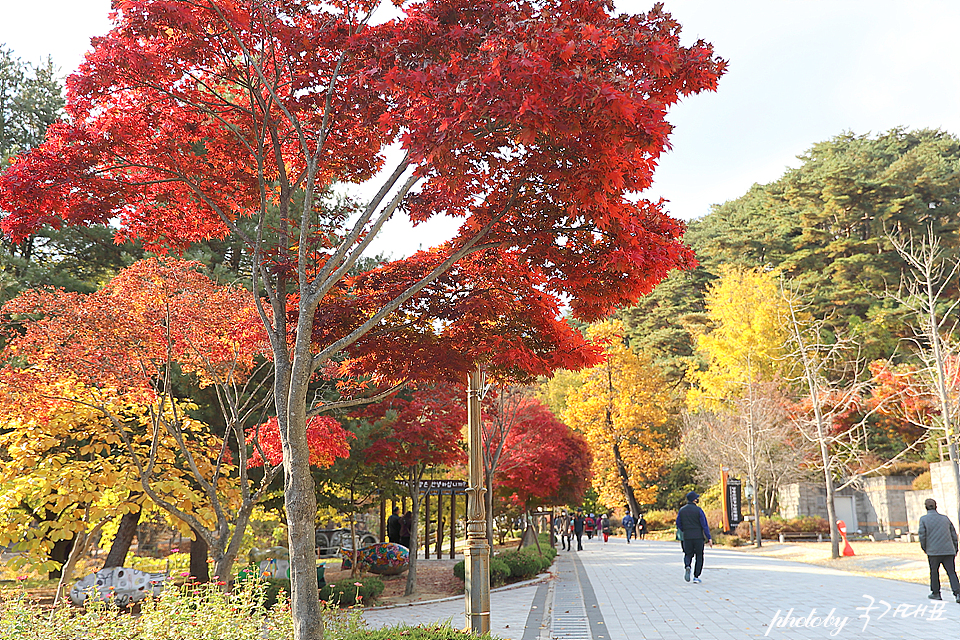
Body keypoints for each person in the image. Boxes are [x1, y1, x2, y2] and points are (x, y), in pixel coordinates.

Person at [918, 498, 960, 602]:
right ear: (936, 506)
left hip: (933, 551)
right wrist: (955, 548)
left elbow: (922, 536)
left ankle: (936, 593)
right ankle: (958, 593)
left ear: (925, 507)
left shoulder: (924, 519)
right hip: (948, 550)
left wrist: (925, 548)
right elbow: (953, 535)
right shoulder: (945, 518)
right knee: (951, 572)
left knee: (934, 572)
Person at [676, 491, 713, 584]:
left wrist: (684, 529)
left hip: (687, 536)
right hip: (698, 536)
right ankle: (696, 576)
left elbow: (678, 522)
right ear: (694, 499)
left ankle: (687, 565)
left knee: (688, 554)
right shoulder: (698, 510)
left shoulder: (682, 510)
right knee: (699, 556)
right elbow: (704, 524)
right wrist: (709, 537)